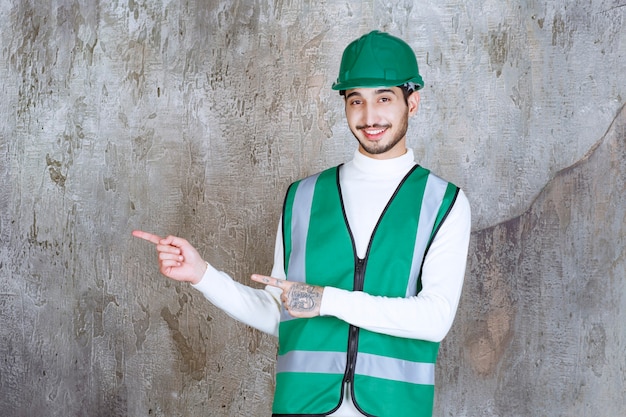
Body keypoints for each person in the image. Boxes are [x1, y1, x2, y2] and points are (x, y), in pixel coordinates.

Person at [133, 30, 471, 417]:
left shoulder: (443, 202)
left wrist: (328, 300)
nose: (369, 116)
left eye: (384, 98)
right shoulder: (303, 197)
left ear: (412, 103)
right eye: (356, 100)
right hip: (301, 407)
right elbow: (281, 312)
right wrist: (203, 275)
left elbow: (435, 320)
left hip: (396, 409)